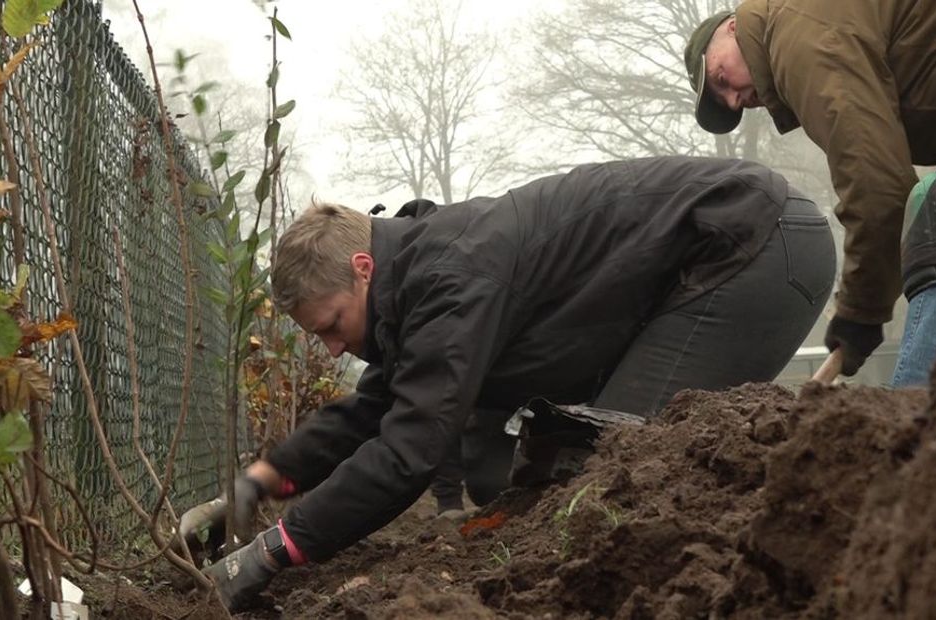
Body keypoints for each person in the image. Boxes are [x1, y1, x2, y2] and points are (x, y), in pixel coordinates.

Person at [189, 155, 835, 610]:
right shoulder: (418, 281)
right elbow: (375, 411)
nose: (332, 348)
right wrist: (255, 487)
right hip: (733, 247)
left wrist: (274, 552)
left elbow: (410, 448)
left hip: (752, 242)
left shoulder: (451, 274)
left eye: (330, 324)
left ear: (362, 269)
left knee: (616, 467)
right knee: (574, 476)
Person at [683, 1, 936, 386]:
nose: (733, 100)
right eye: (725, 103)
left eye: (721, 79)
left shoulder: (796, 34)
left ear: (730, 28)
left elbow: (878, 189)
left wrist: (861, 310)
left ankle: (920, 426)